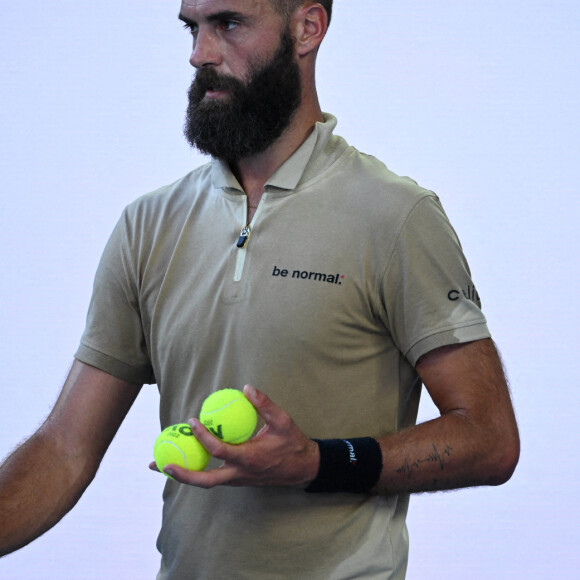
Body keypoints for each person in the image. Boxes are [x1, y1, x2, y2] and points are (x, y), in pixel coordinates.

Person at [0, 1, 520, 578]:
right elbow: (65, 449)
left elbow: (489, 438)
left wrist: (317, 463)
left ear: (307, 28)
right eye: (191, 28)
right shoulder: (147, 225)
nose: (199, 54)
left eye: (228, 24)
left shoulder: (396, 217)